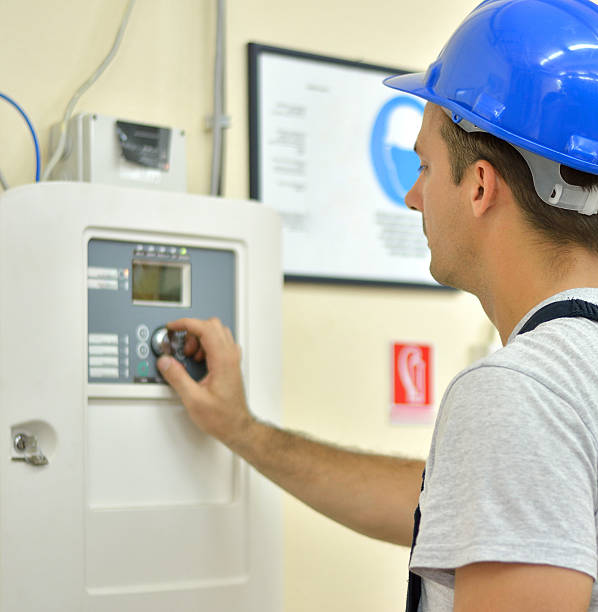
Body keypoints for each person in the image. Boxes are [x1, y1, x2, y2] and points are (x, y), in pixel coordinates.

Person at [157, 0, 598, 609]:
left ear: (478, 186)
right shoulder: (562, 391)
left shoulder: (520, 393)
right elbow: (474, 503)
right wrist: (242, 430)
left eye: (424, 165)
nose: (414, 196)